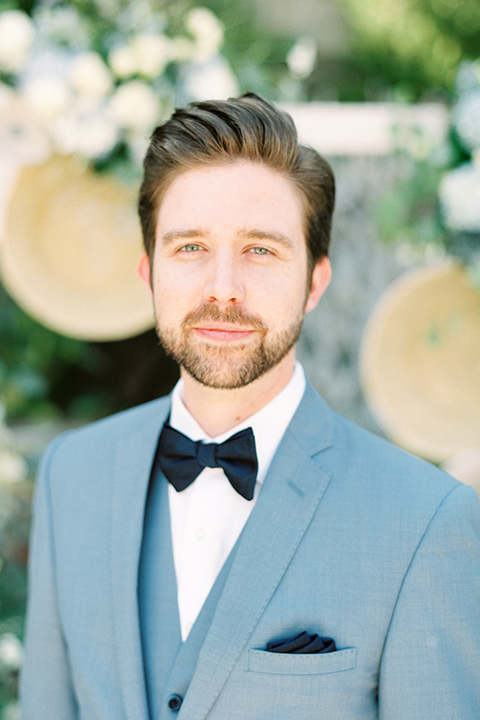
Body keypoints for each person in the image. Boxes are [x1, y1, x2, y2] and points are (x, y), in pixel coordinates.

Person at [21, 94, 480, 720]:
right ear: (147, 272)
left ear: (315, 281)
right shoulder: (68, 477)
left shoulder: (429, 523)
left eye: (261, 250)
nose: (223, 289)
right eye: (190, 249)